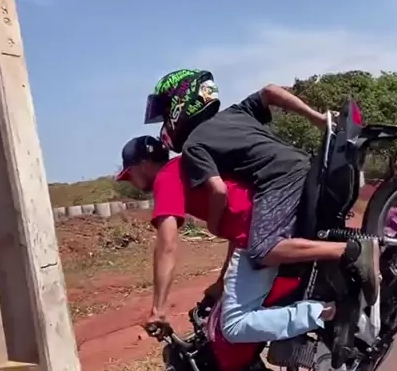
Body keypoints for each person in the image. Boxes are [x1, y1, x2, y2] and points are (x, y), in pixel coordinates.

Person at [143, 68, 380, 308]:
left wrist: (214, 225)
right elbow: (270, 91)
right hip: (304, 165)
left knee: (263, 250)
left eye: (166, 112)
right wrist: (317, 118)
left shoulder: (193, 145)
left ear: (181, 103)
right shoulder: (236, 112)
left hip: (278, 178)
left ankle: (352, 251)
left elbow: (218, 190)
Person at [116, 136, 336, 339]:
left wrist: (159, 309)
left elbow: (167, 245)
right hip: (269, 219)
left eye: (129, 175)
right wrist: (221, 282)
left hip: (259, 233)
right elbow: (236, 224)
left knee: (233, 325)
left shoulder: (166, 178)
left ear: (143, 166)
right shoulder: (186, 165)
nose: (131, 182)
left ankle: (324, 312)